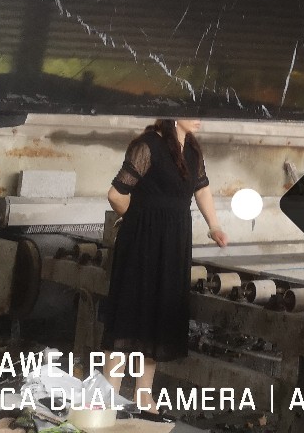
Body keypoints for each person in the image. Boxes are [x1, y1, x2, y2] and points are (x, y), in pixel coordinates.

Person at [102, 118, 228, 411]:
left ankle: (143, 394)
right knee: (129, 311)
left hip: (174, 241)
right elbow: (116, 194)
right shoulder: (147, 146)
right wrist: (136, 218)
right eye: (191, 110)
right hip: (141, 240)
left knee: (159, 312)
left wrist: (214, 226)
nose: (199, 117)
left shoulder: (192, 150)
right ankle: (109, 392)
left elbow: (202, 188)